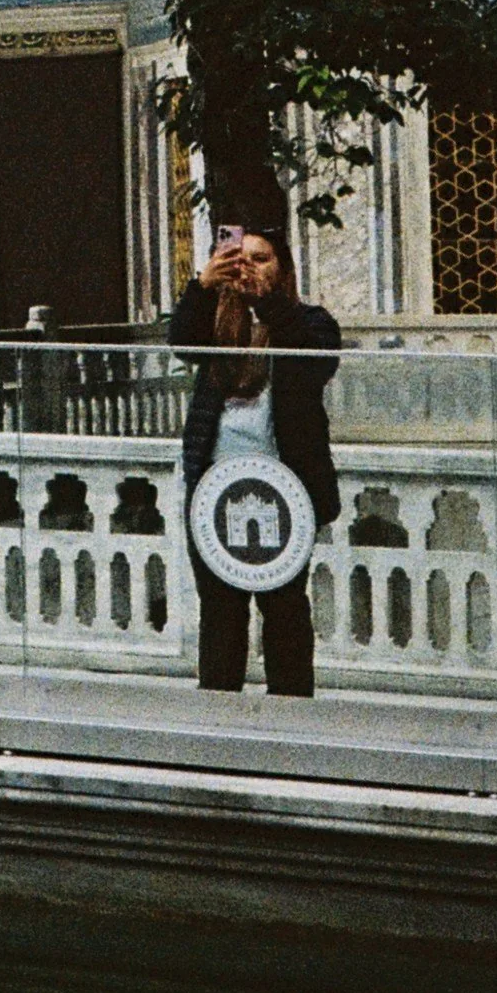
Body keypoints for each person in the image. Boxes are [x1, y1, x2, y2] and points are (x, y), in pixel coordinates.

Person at [169, 222, 340, 699]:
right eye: (239, 258)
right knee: (221, 611)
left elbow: (314, 361)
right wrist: (203, 285)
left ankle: (290, 716)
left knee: (284, 609)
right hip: (215, 489)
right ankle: (221, 716)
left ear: (283, 268)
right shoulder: (218, 323)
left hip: (286, 490)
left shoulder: (311, 321)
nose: (248, 267)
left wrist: (266, 302)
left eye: (260, 258)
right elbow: (182, 341)